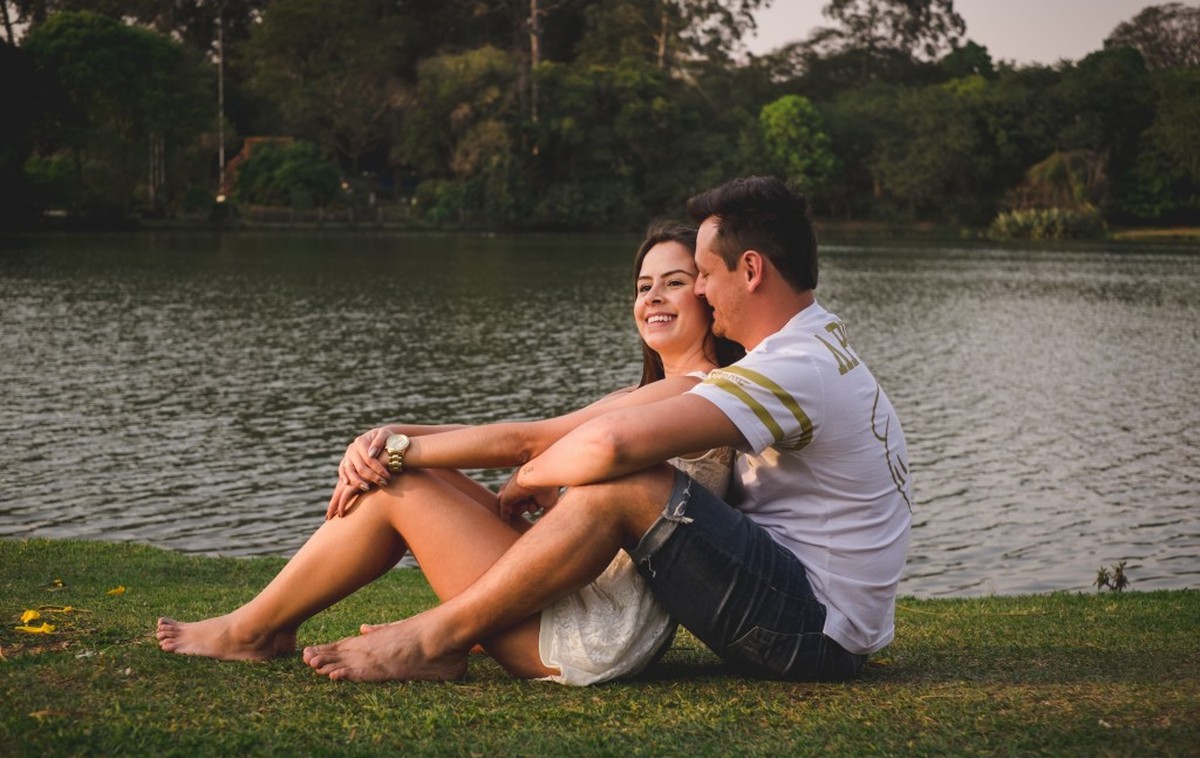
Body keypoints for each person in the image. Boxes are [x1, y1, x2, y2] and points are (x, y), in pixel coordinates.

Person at [299, 175, 912, 683]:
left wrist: (531, 475)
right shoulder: (811, 346)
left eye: (700, 273)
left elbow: (610, 445)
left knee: (631, 480)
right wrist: (405, 441)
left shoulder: (793, 366)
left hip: (812, 632)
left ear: (750, 269)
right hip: (818, 617)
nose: (697, 288)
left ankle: (433, 638)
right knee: (621, 475)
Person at [157, 222, 742, 685]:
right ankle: (265, 627)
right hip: (559, 594)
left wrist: (397, 453)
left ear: (708, 294)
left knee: (398, 483)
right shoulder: (645, 395)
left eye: (674, 281)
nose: (654, 297)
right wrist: (389, 434)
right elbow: (519, 436)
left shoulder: (696, 391)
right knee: (404, 471)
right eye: (644, 287)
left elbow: (527, 443)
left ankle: (254, 631)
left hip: (591, 634)